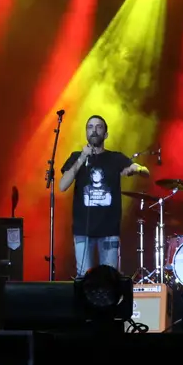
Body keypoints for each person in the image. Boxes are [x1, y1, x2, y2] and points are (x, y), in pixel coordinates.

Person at [59, 115, 149, 277]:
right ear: (86, 133)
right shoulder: (76, 157)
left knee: (109, 279)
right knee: (83, 278)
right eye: (90, 127)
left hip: (109, 230)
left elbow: (142, 170)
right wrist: (82, 157)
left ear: (106, 134)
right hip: (83, 230)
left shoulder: (115, 158)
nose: (94, 130)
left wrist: (137, 169)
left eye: (98, 127)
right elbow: (62, 186)